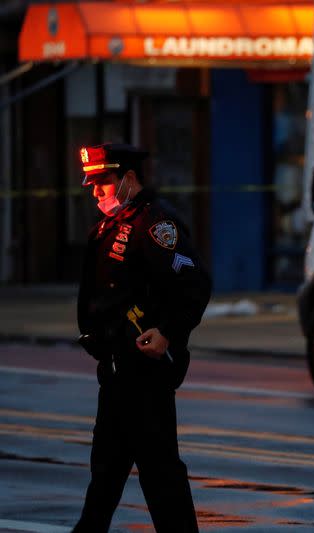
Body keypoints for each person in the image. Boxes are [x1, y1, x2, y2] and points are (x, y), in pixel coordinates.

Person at [73, 143, 211, 532]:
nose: (95, 190)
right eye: (93, 183)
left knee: (160, 472)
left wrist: (168, 333)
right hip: (115, 371)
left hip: (144, 374)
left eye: (103, 182)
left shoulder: (154, 225)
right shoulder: (110, 226)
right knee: (105, 473)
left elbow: (194, 284)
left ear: (129, 179)